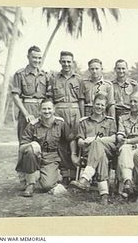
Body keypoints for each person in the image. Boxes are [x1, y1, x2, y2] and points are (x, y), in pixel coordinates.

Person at [12, 45, 50, 188]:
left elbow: (48, 97)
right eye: (34, 57)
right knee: (25, 145)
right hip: (27, 109)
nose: (37, 60)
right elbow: (16, 96)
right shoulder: (20, 74)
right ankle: (24, 180)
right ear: (28, 57)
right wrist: (26, 113)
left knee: (42, 143)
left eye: (39, 58)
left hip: (42, 111)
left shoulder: (45, 75)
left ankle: (37, 177)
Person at [15, 99, 70, 197]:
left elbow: (69, 138)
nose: (47, 111)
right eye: (44, 109)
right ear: (39, 111)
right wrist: (31, 144)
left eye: (49, 109)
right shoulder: (33, 125)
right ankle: (30, 184)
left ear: (54, 110)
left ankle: (44, 175)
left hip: (51, 158)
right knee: (30, 151)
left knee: (47, 186)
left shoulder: (60, 123)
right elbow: (22, 147)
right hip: (36, 156)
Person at [69, 94, 117, 204]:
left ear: (105, 107)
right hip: (89, 153)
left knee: (97, 143)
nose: (99, 107)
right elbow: (79, 141)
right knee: (101, 157)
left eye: (102, 105)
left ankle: (85, 178)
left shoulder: (110, 121)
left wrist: (95, 140)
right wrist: (84, 141)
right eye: (97, 104)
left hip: (108, 150)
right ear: (93, 105)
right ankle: (104, 194)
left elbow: (114, 138)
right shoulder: (84, 122)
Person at [49, 51, 84, 183]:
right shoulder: (54, 78)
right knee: (61, 142)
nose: (66, 64)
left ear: (72, 62)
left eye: (69, 61)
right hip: (59, 110)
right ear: (60, 62)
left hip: (75, 111)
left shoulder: (79, 79)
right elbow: (51, 99)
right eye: (64, 61)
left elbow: (81, 99)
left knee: (75, 141)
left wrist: (82, 118)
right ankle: (65, 174)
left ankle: (76, 173)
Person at [115, 91, 138, 198]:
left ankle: (126, 185)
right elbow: (120, 133)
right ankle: (128, 183)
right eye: (131, 101)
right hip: (126, 145)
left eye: (135, 101)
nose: (132, 104)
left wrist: (128, 141)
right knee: (126, 149)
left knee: (126, 150)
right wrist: (121, 138)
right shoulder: (123, 118)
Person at [112, 59, 138, 126]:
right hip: (115, 113)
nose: (121, 71)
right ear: (115, 69)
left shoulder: (133, 84)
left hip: (129, 113)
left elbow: (137, 102)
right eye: (119, 68)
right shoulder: (110, 85)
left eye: (123, 68)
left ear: (127, 69)